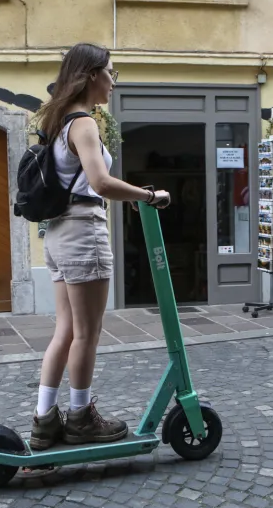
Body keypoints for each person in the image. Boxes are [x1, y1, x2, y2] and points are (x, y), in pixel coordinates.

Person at [30, 43, 171, 451]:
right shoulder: (84, 124)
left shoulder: (58, 124)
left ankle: (44, 419)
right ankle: (80, 418)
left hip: (57, 233)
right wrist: (149, 195)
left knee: (66, 331)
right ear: (91, 74)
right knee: (87, 333)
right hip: (82, 231)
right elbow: (101, 183)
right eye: (111, 72)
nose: (114, 81)